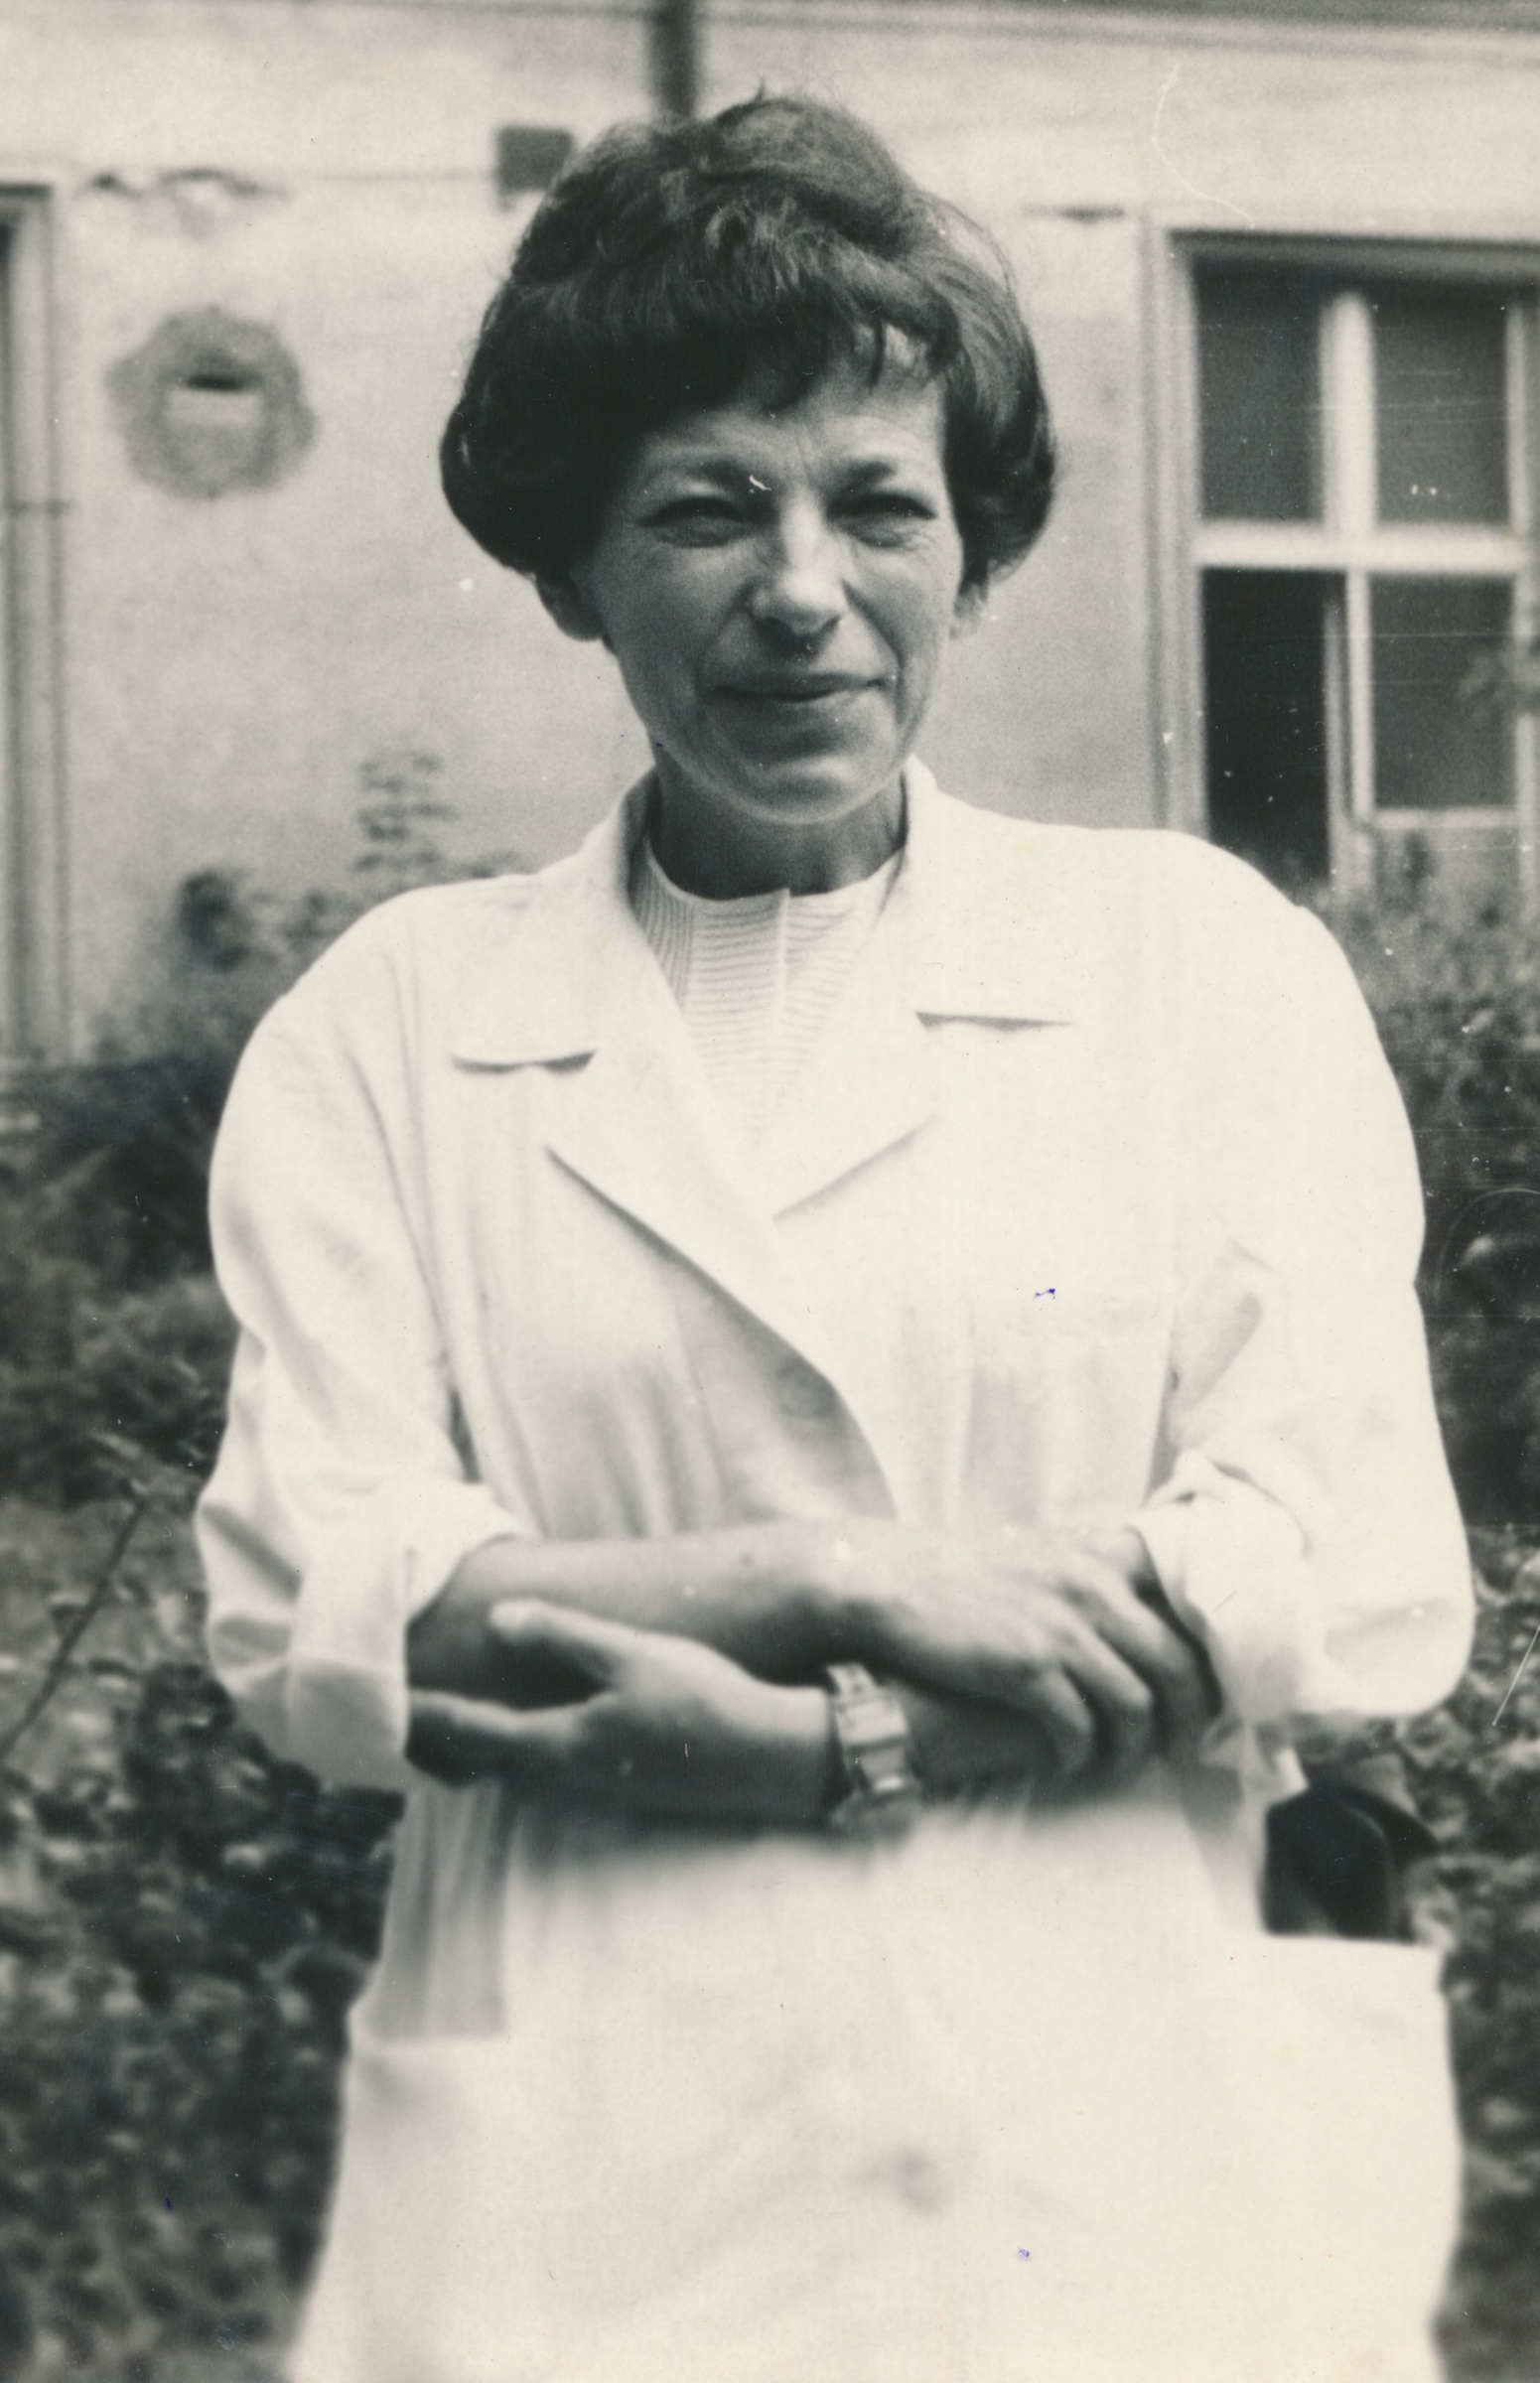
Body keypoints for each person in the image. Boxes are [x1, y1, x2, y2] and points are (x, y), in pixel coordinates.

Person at [198, 96, 1474, 2383]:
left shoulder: (1196, 970)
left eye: (875, 504)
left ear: (961, 550)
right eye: (705, 508)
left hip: (1109, 2110)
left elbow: (1337, 1564)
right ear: (571, 565)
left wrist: (811, 1747)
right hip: (595, 2154)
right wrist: (836, 1579)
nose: (800, 590)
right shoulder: (389, 1028)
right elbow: (318, 1602)